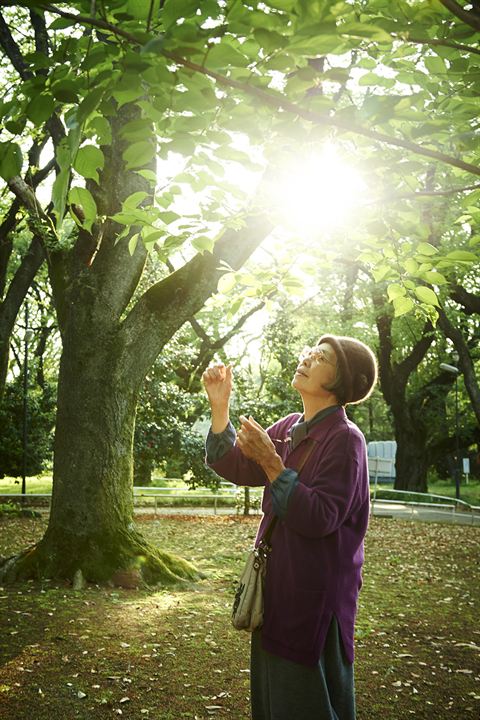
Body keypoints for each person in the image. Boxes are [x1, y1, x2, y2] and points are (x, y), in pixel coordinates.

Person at [202, 334, 378, 720]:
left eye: (322, 356)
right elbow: (236, 466)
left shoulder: (346, 440)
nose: (307, 357)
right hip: (276, 588)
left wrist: (272, 462)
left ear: (342, 379)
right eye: (310, 351)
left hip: (314, 597)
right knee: (272, 700)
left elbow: (320, 517)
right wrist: (220, 408)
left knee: (307, 700)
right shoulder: (290, 426)